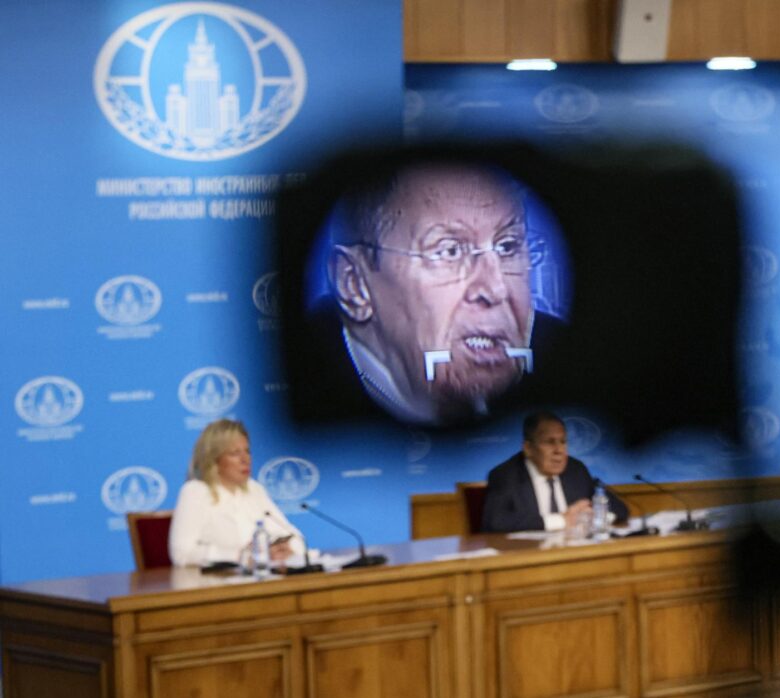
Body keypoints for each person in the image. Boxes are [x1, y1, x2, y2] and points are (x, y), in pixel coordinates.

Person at [327, 163, 541, 426]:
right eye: (450, 251)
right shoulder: (308, 389)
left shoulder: (566, 365)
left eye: (507, 247)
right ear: (354, 284)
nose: (496, 289)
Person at [169, 419, 305, 567]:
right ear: (214, 459)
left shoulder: (254, 489)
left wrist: (286, 549)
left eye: (247, 451)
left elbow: (294, 537)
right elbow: (182, 553)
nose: (245, 459)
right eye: (235, 453)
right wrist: (240, 556)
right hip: (219, 580)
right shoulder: (195, 492)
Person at [481, 411, 628, 533]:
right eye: (549, 442)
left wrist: (594, 516)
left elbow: (621, 510)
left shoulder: (576, 470)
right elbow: (495, 522)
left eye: (563, 442)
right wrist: (561, 520)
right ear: (528, 448)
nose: (559, 450)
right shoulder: (505, 475)